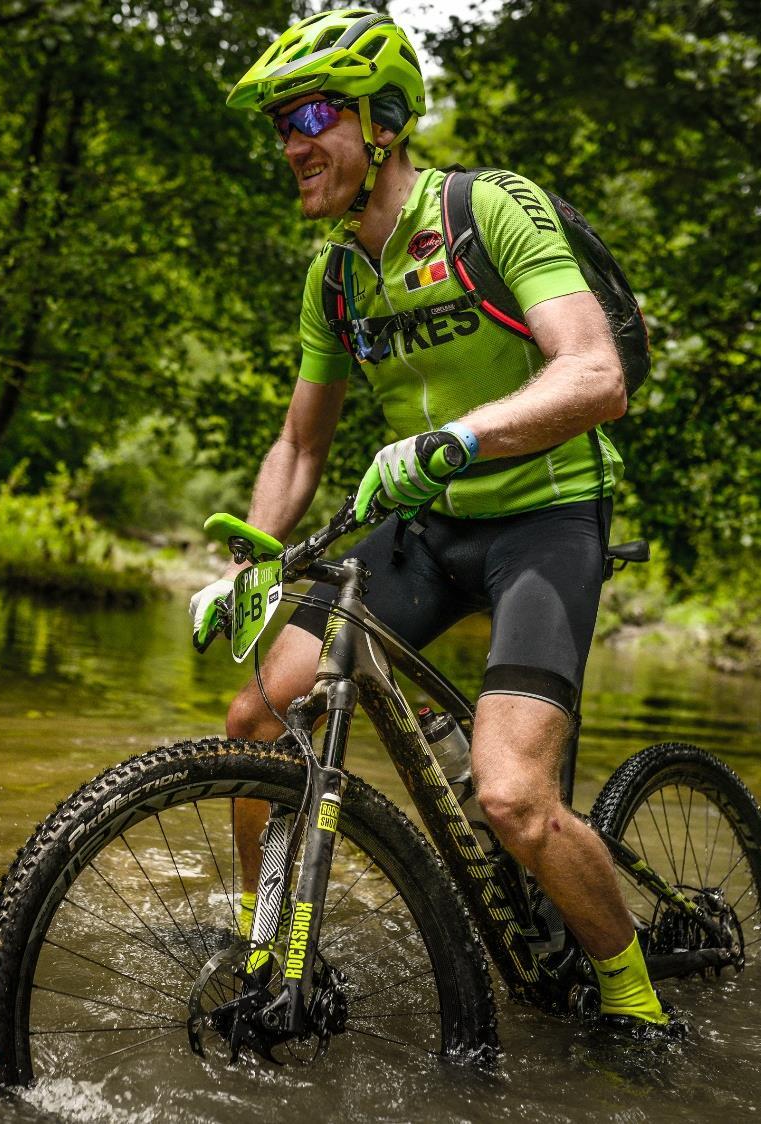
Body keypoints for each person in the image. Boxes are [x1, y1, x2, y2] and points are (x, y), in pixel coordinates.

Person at [190, 8, 674, 1037]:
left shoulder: (487, 210)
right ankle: (264, 938)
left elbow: (595, 373)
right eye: (282, 123)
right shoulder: (336, 275)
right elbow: (301, 447)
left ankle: (635, 996)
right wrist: (248, 564)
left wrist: (451, 438)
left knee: (510, 798)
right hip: (426, 519)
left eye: (314, 113)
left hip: (543, 516)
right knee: (256, 716)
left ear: (385, 121)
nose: (292, 143)